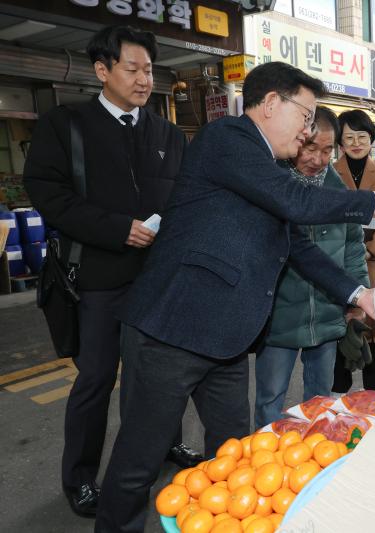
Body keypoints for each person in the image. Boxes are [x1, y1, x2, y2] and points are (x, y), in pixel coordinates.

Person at [94, 62, 375, 532]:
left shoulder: (268, 167)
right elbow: (298, 203)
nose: (307, 132)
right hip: (171, 331)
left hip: (227, 339)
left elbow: (297, 244)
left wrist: (359, 293)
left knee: (235, 456)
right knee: (139, 462)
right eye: (305, 117)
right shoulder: (228, 140)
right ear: (270, 104)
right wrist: (374, 202)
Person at [22, 25, 201, 518]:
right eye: (133, 69)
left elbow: (183, 197)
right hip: (98, 279)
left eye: (149, 70)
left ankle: (164, 444)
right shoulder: (66, 125)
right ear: (103, 70)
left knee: (160, 375)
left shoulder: (166, 133)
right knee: (96, 380)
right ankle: (79, 477)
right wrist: (116, 229)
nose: (145, 79)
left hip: (159, 279)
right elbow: (46, 192)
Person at [254, 106, 369, 428]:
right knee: (270, 398)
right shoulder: (271, 188)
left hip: (327, 314)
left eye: (327, 150)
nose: (318, 159)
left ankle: (316, 457)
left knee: (320, 399)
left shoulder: (339, 193)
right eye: (310, 147)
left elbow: (353, 248)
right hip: (279, 317)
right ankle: (266, 461)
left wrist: (356, 299)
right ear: (296, 140)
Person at [331, 109, 375, 392]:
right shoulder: (330, 173)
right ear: (340, 141)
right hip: (340, 264)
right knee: (340, 334)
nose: (356, 142)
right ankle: (338, 396)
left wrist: (371, 248)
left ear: (371, 140)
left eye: (362, 136)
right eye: (349, 137)